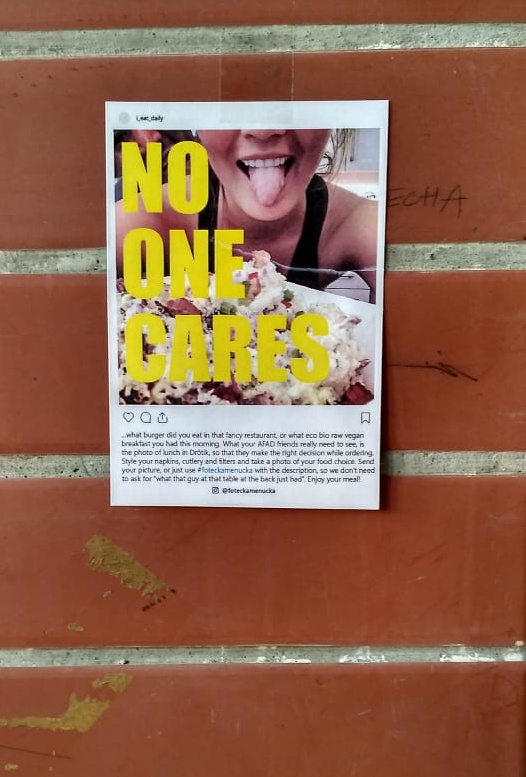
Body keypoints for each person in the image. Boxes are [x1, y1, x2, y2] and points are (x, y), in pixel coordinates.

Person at [115, 128, 378, 300]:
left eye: (295, 98)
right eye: (228, 104)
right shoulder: (147, 216)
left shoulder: (359, 222)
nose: (263, 130)